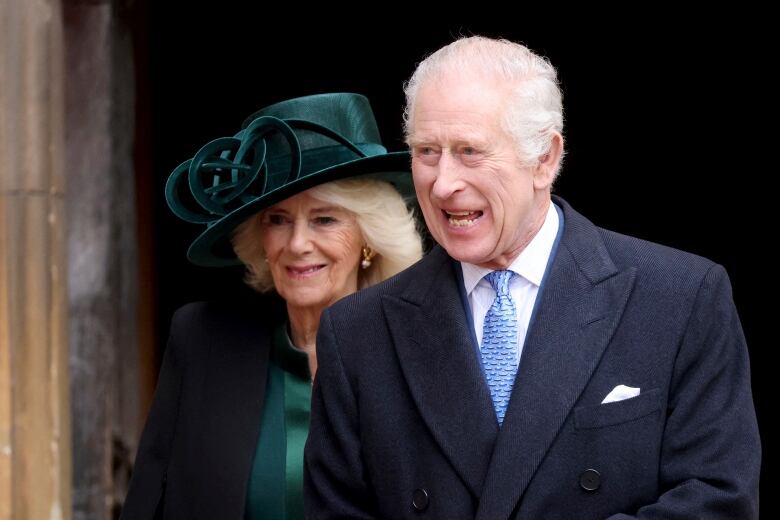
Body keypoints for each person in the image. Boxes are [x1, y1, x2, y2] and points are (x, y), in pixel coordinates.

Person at [304, 37, 760, 519]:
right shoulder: (356, 333)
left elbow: (717, 499)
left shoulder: (680, 297)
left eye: (469, 151)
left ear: (545, 158)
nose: (442, 183)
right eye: (426, 152)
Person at [120, 93, 423, 519]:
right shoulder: (202, 340)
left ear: (368, 237)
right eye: (277, 219)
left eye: (325, 219)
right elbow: (147, 507)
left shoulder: (421, 352)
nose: (298, 244)